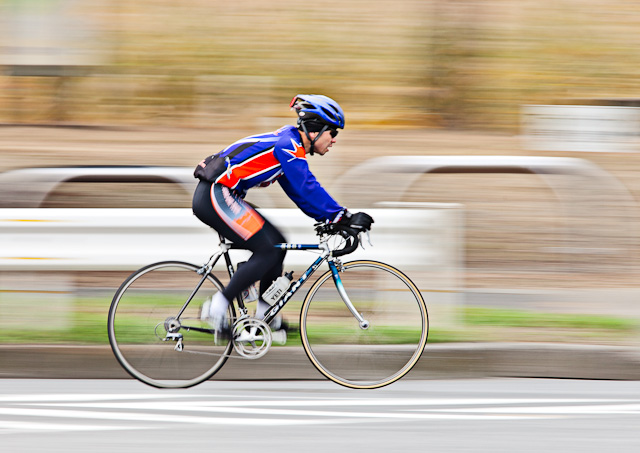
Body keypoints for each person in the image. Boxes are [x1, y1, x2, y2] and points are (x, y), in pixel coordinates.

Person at [192, 94, 373, 341]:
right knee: (267, 249)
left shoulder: (289, 146)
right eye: (333, 133)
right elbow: (308, 187)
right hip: (216, 194)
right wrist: (343, 216)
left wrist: (332, 219)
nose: (334, 141)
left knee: (276, 244)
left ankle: (266, 317)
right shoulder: (287, 145)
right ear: (315, 130)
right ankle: (217, 306)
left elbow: (300, 194)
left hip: (223, 194)